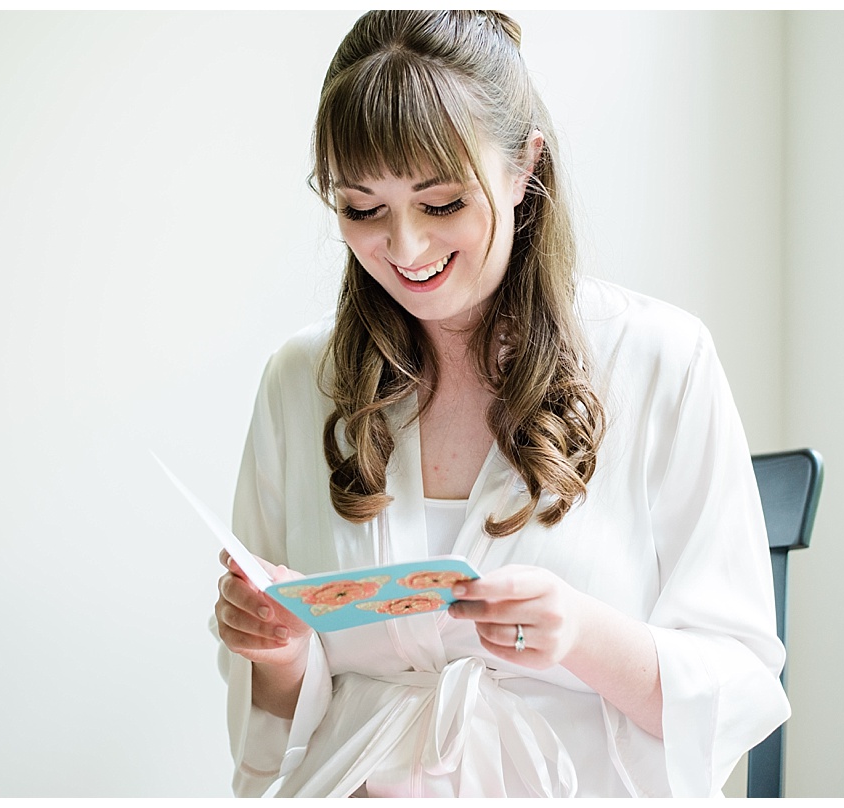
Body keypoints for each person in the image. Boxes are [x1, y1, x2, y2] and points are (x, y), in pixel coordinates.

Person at [213, 10, 789, 798]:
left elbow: (737, 686)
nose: (405, 248)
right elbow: (277, 734)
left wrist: (580, 635)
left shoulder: (661, 361)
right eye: (363, 209)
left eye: (442, 203)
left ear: (524, 168)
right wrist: (279, 651)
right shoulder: (300, 380)